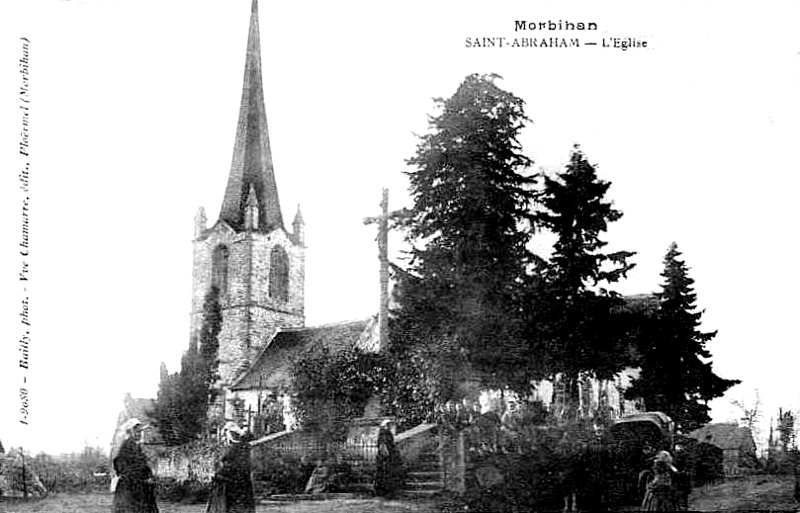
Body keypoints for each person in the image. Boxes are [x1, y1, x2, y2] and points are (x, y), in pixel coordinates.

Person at [206, 422, 255, 513]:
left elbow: (234, 466)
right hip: (236, 482)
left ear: (231, 434)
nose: (225, 437)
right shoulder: (241, 447)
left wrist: (218, 475)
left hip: (234, 483)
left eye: (226, 434)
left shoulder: (237, 448)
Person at [112, 418, 159, 513]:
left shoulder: (135, 446)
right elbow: (119, 463)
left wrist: (148, 475)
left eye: (140, 432)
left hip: (138, 484)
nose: (139, 434)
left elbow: (142, 464)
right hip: (131, 485)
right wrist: (143, 476)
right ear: (130, 432)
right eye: (136, 432)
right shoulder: (127, 446)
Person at [375, 419, 404, 497]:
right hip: (385, 457)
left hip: (389, 456)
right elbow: (382, 446)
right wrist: (386, 453)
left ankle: (388, 491)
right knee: (385, 473)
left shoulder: (387, 433)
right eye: (388, 425)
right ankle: (385, 491)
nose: (389, 426)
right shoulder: (384, 434)